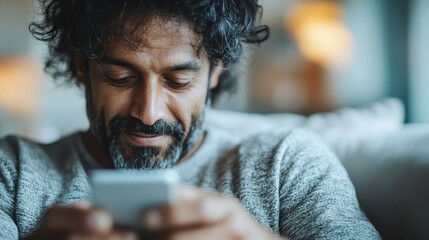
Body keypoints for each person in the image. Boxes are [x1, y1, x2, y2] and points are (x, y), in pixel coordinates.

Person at [0, 0, 380, 239]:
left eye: (178, 81)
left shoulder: (288, 164)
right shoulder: (13, 171)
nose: (149, 113)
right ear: (82, 68)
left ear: (215, 72)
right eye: (121, 78)